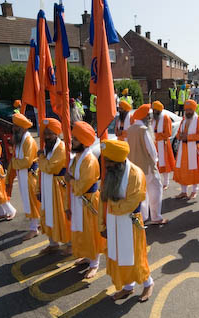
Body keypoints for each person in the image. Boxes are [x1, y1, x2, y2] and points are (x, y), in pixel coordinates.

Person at [99, 139, 154, 302]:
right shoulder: (111, 172)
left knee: (135, 256)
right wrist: (102, 224)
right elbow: (103, 200)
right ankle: (128, 287)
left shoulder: (135, 174)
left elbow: (132, 202)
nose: (106, 164)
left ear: (118, 160)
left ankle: (148, 283)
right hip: (113, 222)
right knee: (119, 256)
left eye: (109, 161)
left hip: (130, 223)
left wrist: (113, 207)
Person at [65, 122, 106, 278]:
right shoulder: (77, 157)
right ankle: (87, 256)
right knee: (81, 230)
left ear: (82, 141)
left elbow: (82, 185)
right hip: (79, 200)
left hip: (88, 201)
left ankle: (94, 263)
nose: (72, 141)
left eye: (75, 139)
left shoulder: (89, 160)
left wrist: (70, 180)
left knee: (91, 232)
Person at [127, 104, 167, 225]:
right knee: (156, 190)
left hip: (135, 168)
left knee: (142, 193)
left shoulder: (130, 129)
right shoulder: (144, 130)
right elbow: (152, 151)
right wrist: (155, 161)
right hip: (148, 167)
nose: (150, 119)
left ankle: (143, 217)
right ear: (145, 117)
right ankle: (156, 217)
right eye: (149, 117)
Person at [37, 118, 71, 254]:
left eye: (50, 133)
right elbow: (43, 169)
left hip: (58, 187)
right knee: (47, 213)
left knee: (61, 215)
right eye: (45, 134)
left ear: (57, 134)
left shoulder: (61, 147)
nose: (47, 137)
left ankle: (70, 243)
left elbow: (51, 168)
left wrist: (41, 159)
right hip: (47, 184)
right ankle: (53, 243)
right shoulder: (47, 147)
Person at [7, 113, 41, 241]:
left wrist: (14, 163)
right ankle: (38, 224)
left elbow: (26, 161)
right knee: (31, 201)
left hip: (29, 175)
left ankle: (34, 229)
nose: (13, 128)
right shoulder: (21, 140)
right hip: (23, 175)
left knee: (31, 202)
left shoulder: (28, 141)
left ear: (21, 128)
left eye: (15, 126)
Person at [173, 100, 199, 200]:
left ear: (194, 109)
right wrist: (180, 136)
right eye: (186, 110)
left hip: (194, 149)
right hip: (183, 149)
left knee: (194, 170)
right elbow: (178, 134)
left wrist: (188, 137)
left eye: (190, 110)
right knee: (183, 169)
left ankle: (194, 191)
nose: (188, 112)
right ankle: (184, 192)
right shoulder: (183, 120)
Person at [151, 101, 175, 190]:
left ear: (159, 110)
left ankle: (166, 182)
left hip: (163, 144)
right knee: (155, 163)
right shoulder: (153, 119)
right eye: (153, 110)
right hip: (154, 144)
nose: (153, 112)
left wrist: (156, 135)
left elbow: (168, 133)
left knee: (165, 163)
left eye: (155, 110)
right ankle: (157, 182)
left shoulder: (165, 118)